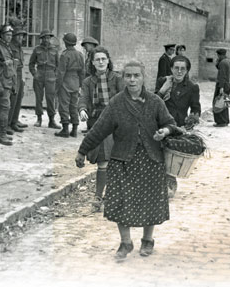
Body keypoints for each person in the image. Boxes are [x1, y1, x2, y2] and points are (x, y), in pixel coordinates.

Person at [76, 60, 176, 260]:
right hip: (122, 159)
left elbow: (170, 123)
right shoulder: (116, 103)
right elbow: (99, 129)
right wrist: (82, 150)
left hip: (151, 159)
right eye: (128, 76)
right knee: (120, 201)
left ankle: (147, 240)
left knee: (150, 202)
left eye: (136, 75)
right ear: (123, 78)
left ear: (143, 77)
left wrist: (164, 131)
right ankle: (125, 242)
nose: (132, 80)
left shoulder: (155, 102)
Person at [78, 46, 124, 211]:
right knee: (103, 162)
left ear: (108, 60)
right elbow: (83, 98)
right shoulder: (88, 82)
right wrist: (82, 110)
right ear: (92, 62)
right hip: (98, 124)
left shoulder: (117, 78)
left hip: (117, 123)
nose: (101, 62)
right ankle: (98, 197)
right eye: (97, 59)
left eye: (103, 59)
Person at [155, 55, 201, 198]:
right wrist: (163, 90)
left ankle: (170, 181)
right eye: (176, 68)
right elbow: (153, 103)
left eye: (183, 69)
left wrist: (192, 119)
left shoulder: (192, 87)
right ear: (171, 69)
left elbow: (195, 108)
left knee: (171, 155)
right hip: (161, 123)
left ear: (187, 71)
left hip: (179, 126)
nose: (179, 71)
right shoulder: (163, 82)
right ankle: (157, 182)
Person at [28, 29, 61, 129]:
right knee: (39, 98)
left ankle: (51, 120)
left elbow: (58, 65)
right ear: (41, 39)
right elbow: (31, 63)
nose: (46, 40)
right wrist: (34, 74)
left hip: (51, 75)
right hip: (40, 74)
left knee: (50, 98)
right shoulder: (37, 49)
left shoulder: (54, 50)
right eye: (44, 38)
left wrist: (55, 75)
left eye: (48, 38)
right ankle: (39, 119)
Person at [55, 33, 85, 138]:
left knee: (64, 106)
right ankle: (75, 130)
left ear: (66, 42)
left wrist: (57, 87)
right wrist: (81, 84)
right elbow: (82, 72)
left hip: (65, 82)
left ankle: (65, 129)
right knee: (74, 106)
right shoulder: (80, 55)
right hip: (75, 82)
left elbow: (61, 73)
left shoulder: (64, 55)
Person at [8, 26, 28, 133]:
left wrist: (23, 76)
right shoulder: (10, 47)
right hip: (13, 73)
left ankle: (14, 121)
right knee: (12, 98)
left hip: (19, 72)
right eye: (19, 36)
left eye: (22, 36)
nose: (21, 38)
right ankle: (8, 123)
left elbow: (22, 63)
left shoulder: (20, 48)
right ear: (14, 37)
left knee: (19, 98)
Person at [213, 48, 230, 127]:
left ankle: (221, 122)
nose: (217, 57)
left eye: (218, 55)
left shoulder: (223, 63)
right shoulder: (227, 61)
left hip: (222, 85)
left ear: (220, 55)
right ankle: (225, 120)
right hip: (226, 85)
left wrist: (221, 87)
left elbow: (222, 76)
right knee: (223, 103)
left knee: (218, 103)